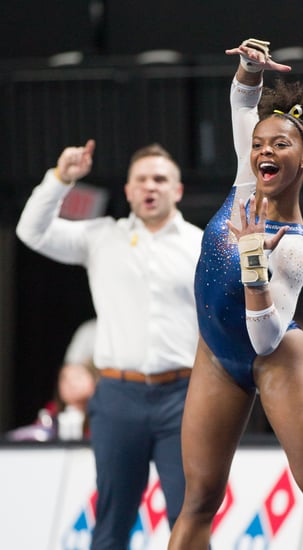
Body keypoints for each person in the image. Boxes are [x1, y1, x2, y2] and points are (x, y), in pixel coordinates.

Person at [168, 39, 303, 550]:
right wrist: (248, 70)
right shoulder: (243, 185)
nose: (264, 152)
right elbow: (242, 104)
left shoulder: (294, 248)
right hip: (216, 351)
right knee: (197, 502)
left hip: (276, 357)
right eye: (259, 144)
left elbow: (266, 340)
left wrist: (254, 265)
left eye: (279, 145)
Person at [16, 140, 203, 548]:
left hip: (184, 397)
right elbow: (30, 231)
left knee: (188, 517)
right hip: (119, 396)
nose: (150, 186)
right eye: (141, 179)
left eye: (160, 178)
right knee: (112, 520)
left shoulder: (200, 244)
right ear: (129, 190)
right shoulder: (101, 236)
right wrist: (61, 179)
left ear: (178, 190)